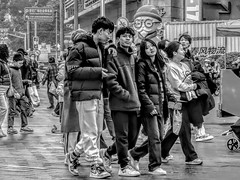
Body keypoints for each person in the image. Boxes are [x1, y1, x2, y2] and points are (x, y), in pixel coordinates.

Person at [64, 17, 114, 179]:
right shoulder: (79, 47)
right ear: (100, 31)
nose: (109, 36)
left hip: (97, 94)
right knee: (91, 131)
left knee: (95, 131)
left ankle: (73, 156)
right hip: (84, 94)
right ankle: (95, 165)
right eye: (108, 32)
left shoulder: (102, 48)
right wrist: (97, 72)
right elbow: (71, 71)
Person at [101, 26, 141, 177]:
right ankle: (124, 166)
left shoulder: (132, 56)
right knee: (122, 137)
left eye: (130, 36)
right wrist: (126, 95)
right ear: (118, 39)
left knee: (131, 140)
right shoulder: (113, 55)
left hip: (134, 104)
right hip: (119, 104)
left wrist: (135, 97)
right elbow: (111, 81)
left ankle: (108, 152)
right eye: (124, 36)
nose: (127, 39)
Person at [128, 38, 172, 175]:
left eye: (152, 46)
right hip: (149, 107)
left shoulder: (158, 64)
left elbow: (162, 86)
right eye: (147, 48)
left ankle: (134, 154)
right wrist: (149, 105)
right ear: (144, 51)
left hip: (161, 105)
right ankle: (154, 166)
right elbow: (141, 88)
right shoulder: (142, 64)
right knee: (154, 137)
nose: (151, 49)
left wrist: (170, 97)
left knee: (159, 137)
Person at [162, 41, 203, 165]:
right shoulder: (169, 67)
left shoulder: (183, 65)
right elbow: (178, 85)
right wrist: (194, 86)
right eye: (181, 49)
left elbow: (188, 79)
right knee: (183, 128)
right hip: (175, 101)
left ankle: (161, 152)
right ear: (174, 52)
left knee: (176, 129)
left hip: (187, 100)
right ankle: (191, 156)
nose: (184, 51)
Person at [7, 53, 34, 134]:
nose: (21, 65)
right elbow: (9, 83)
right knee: (12, 110)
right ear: (14, 61)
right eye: (20, 63)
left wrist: (26, 81)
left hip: (21, 94)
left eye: (22, 63)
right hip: (13, 95)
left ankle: (24, 126)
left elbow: (19, 82)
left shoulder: (18, 70)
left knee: (24, 109)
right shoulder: (10, 70)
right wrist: (15, 92)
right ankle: (10, 127)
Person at [0, 44, 10, 137]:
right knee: (4, 109)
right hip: (0, 90)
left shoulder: (3, 62)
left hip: (3, 90)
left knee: (3, 109)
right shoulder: (0, 63)